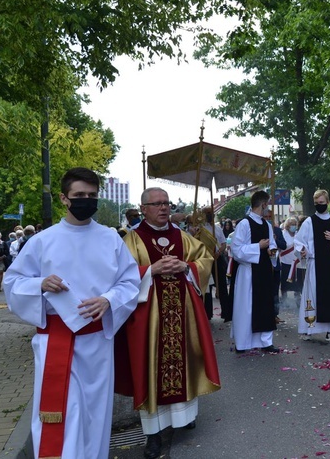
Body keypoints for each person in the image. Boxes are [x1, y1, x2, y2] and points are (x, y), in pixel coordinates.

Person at [4, 167, 140, 459]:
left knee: (94, 415)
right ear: (64, 198)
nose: (86, 200)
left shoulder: (111, 238)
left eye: (91, 195)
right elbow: (12, 283)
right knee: (65, 412)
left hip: (96, 343)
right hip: (56, 340)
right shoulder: (42, 241)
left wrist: (108, 300)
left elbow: (129, 282)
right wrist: (39, 282)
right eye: (79, 195)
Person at [116, 187, 221, 459]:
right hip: (149, 319)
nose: (163, 208)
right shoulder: (132, 239)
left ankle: (184, 417)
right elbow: (119, 276)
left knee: (184, 360)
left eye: (167, 203)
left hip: (181, 316)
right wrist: (151, 270)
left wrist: (187, 268)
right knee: (150, 368)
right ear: (144, 209)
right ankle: (153, 435)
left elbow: (205, 258)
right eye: (157, 204)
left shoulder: (182, 236)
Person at [294, 189, 330, 343]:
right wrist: (302, 250)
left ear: (328, 202)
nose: (320, 205)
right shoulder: (309, 222)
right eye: (317, 203)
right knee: (312, 295)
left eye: (322, 202)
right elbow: (299, 241)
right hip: (315, 264)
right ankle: (308, 329)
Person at [231, 191, 281, 352]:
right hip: (248, 272)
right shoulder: (244, 224)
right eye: (268, 204)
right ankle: (243, 342)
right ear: (263, 204)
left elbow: (272, 245)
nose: (269, 208)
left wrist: (272, 251)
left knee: (265, 305)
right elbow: (236, 250)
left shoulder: (266, 224)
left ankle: (265, 342)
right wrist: (257, 247)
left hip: (264, 270)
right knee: (247, 307)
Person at [280, 217, 302, 307]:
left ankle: (297, 299)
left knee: (297, 281)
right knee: (285, 281)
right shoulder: (283, 234)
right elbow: (282, 246)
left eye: (294, 224)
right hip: (285, 261)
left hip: (296, 261)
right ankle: (284, 299)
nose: (293, 226)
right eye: (291, 224)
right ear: (288, 226)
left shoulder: (298, 234)